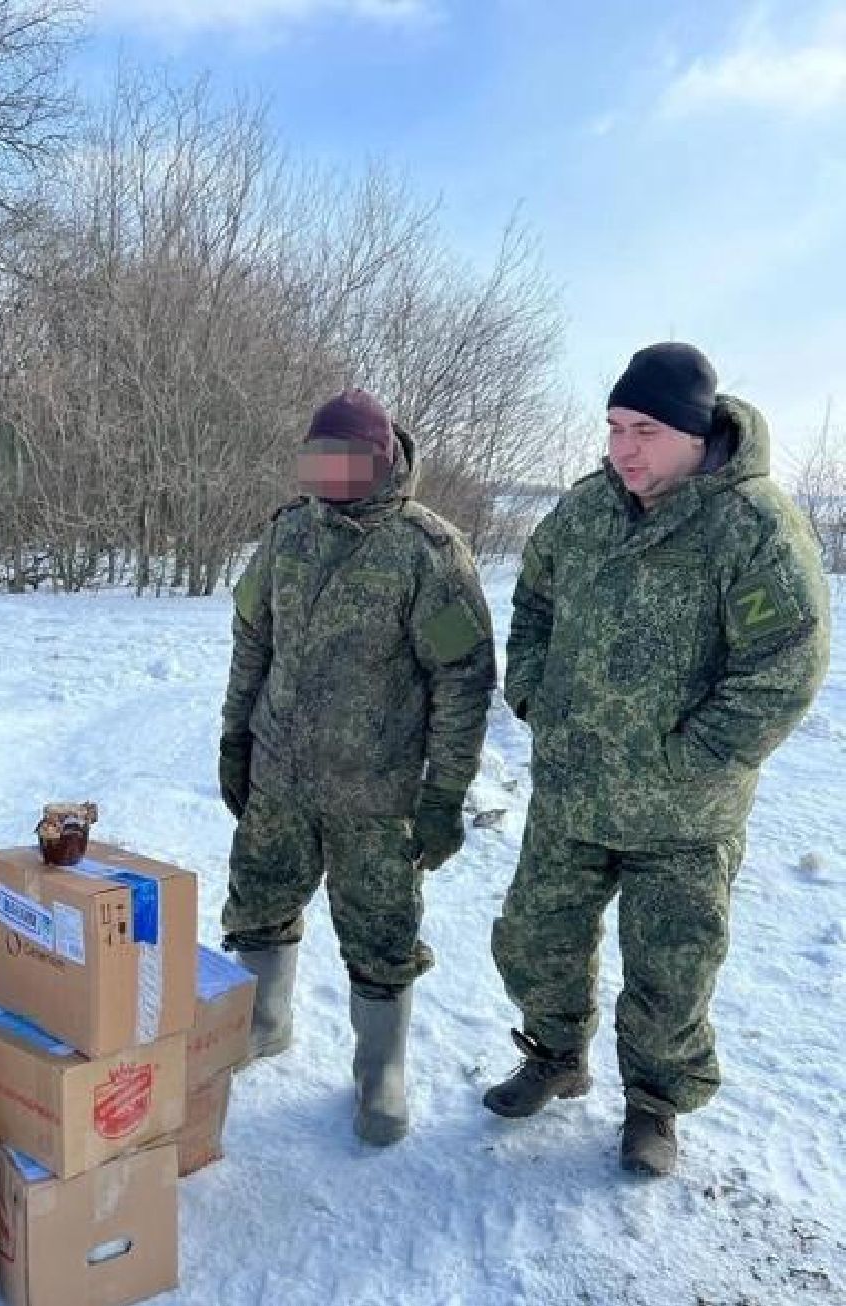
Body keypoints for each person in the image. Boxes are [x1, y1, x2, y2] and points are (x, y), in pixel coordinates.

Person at [483, 342, 830, 1176]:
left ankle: (653, 1105)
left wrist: (697, 754)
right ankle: (555, 1056)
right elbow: (534, 600)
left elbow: (786, 663)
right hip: (573, 791)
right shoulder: (585, 511)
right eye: (612, 427)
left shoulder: (749, 526)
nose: (622, 449)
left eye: (643, 429)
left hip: (683, 812)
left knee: (671, 972)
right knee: (534, 941)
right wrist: (532, 689)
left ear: (693, 431)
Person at [220, 388, 496, 1145]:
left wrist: (445, 791)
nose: (327, 474)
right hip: (280, 771)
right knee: (259, 899)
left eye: (343, 460)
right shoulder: (288, 535)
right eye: (317, 459)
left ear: (380, 462)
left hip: (377, 792)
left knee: (380, 931)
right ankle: (265, 1022)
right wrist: (235, 734)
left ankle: (382, 1070)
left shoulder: (427, 552)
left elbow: (462, 679)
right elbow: (252, 638)